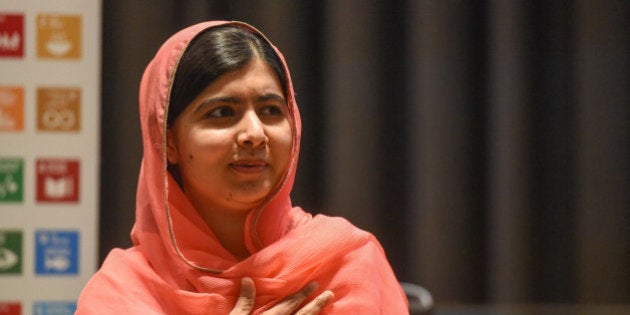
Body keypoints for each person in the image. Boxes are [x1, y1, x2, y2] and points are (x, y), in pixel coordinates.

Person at [76, 21, 408, 314]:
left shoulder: (347, 263)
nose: (254, 133)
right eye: (221, 113)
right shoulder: (121, 292)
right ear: (169, 142)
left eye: (271, 110)